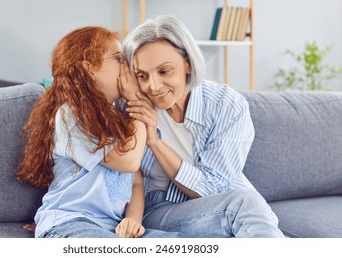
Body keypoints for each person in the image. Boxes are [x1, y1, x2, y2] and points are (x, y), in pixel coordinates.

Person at [121, 15, 284, 238]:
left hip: (220, 202)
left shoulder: (227, 105)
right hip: (160, 209)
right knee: (246, 205)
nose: (154, 86)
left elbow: (210, 188)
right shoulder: (131, 107)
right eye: (142, 76)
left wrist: (155, 142)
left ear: (187, 63)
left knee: (248, 207)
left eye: (164, 71)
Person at [16, 26, 183, 238]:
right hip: (71, 221)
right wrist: (137, 102)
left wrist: (132, 220)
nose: (127, 66)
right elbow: (128, 162)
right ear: (90, 69)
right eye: (118, 58)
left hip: (111, 227)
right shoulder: (71, 115)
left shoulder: (117, 117)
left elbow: (136, 181)